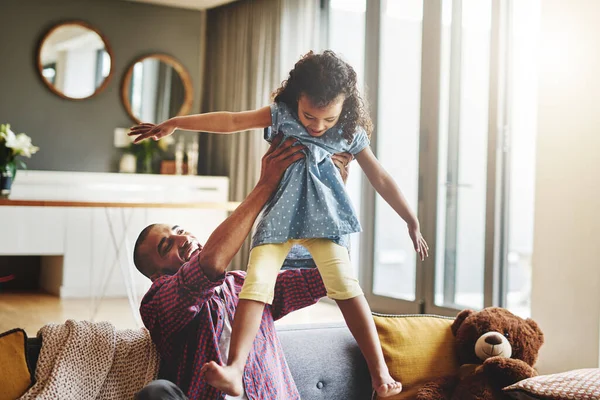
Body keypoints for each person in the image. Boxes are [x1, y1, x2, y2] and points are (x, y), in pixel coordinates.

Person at [129, 50, 429, 398]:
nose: (316, 127)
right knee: (255, 286)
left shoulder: (347, 134)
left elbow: (380, 178)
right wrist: (179, 122)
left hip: (324, 226)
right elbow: (230, 121)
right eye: (166, 245)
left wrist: (407, 218)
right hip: (277, 225)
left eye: (327, 119)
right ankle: (234, 369)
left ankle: (380, 373)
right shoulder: (160, 302)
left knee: (346, 287)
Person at [133, 134, 354, 400]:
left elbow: (322, 277)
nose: (183, 239)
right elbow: (207, 268)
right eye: (166, 246)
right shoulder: (156, 303)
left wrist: (331, 193)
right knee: (156, 393)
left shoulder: (245, 284)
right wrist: (266, 184)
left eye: (179, 230)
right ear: (156, 274)